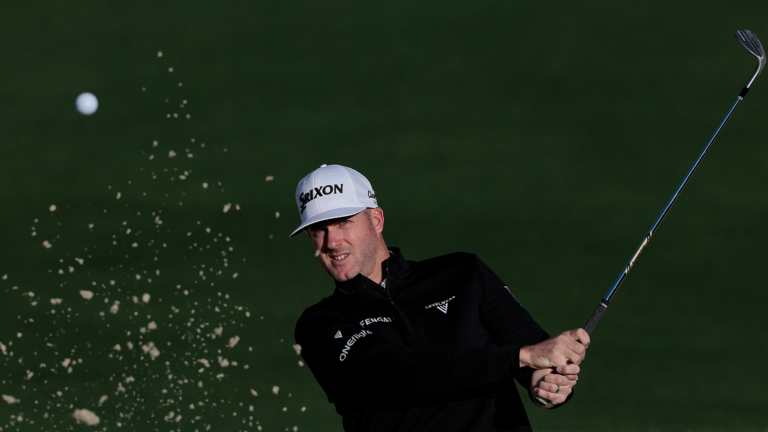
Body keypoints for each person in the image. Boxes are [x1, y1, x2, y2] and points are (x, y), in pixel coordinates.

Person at [291, 164, 590, 432]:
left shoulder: (462, 273)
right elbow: (402, 372)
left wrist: (547, 386)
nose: (331, 242)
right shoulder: (319, 326)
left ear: (377, 219)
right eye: (318, 230)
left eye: (344, 222)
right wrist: (521, 357)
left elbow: (539, 361)